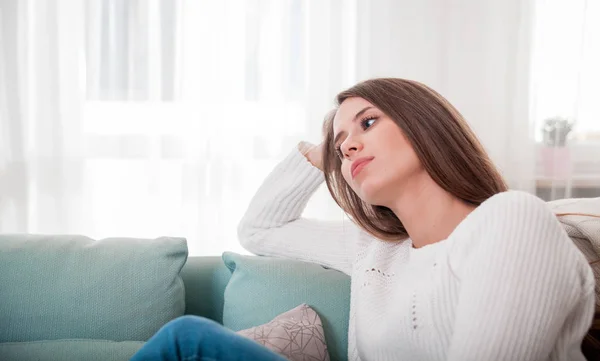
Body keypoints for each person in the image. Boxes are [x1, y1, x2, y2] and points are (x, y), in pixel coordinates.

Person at [130, 78, 595, 361]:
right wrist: (320, 156)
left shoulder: (513, 221)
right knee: (187, 340)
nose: (348, 145)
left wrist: (339, 139)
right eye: (341, 144)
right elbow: (260, 230)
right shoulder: (374, 250)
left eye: (368, 123)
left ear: (425, 123)